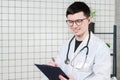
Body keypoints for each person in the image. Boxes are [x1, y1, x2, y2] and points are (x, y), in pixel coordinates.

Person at [48, 1, 111, 80]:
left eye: (78, 21)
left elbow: (103, 78)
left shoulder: (100, 47)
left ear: (89, 20)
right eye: (70, 22)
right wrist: (54, 69)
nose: (74, 26)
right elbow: (61, 67)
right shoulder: (66, 45)